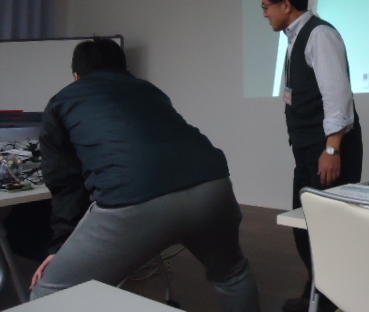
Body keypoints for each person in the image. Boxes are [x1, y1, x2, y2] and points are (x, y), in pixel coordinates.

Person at [31, 38, 260, 312]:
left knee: (50, 293)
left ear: (76, 76)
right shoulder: (149, 90)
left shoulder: (62, 101)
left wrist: (59, 247)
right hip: (212, 185)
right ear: (123, 69)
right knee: (233, 275)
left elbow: (65, 182)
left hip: (134, 199)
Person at [255, 0, 363, 312]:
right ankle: (320, 293)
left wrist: (331, 149)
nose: (265, 14)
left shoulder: (320, 35)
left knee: (325, 229)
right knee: (305, 227)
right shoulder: (294, 38)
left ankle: (330, 300)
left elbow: (338, 99)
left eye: (266, 7)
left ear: (286, 5)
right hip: (308, 150)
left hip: (327, 150)